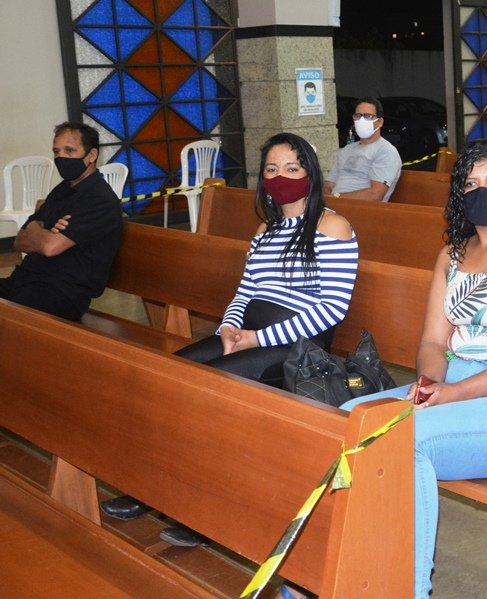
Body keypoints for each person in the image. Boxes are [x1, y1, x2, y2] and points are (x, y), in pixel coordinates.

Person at [271, 142, 487, 599]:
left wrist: (454, 394)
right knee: (344, 423)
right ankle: (317, 582)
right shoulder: (452, 253)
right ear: (458, 194)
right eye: (471, 183)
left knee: (403, 446)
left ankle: (409, 594)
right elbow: (433, 342)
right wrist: (432, 383)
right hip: (452, 385)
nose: (483, 191)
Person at [101, 132, 359, 547]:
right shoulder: (266, 227)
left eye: (291, 168)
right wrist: (229, 328)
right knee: (167, 375)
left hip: (296, 346)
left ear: (310, 173)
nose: (280, 177)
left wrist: (258, 338)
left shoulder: (332, 226)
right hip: (248, 334)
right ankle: (153, 488)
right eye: (272, 169)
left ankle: (201, 511)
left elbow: (331, 310)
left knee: (209, 392)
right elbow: (246, 289)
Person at [0, 122, 121, 321]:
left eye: (69, 150)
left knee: (10, 321)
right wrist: (45, 232)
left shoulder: (100, 199)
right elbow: (19, 241)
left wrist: (35, 226)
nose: (60, 157)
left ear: (91, 155)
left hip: (60, 293)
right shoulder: (62, 190)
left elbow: (49, 247)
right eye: (56, 151)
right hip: (24, 280)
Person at [323, 97, 402, 200]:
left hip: (361, 207)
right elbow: (328, 186)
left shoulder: (385, 151)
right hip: (333, 205)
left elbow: (375, 195)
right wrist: (328, 200)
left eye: (368, 116)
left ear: (380, 122)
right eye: (358, 116)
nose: (362, 120)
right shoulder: (347, 150)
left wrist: (337, 198)